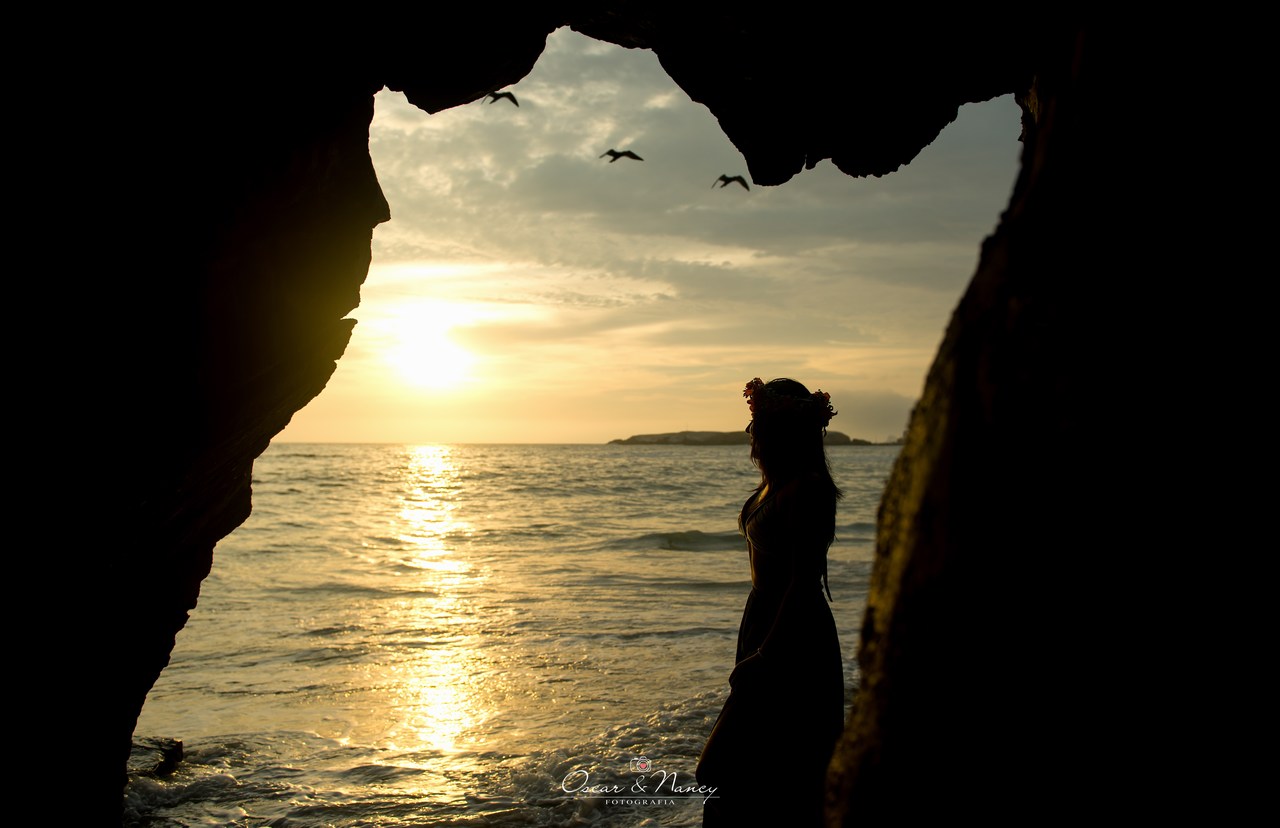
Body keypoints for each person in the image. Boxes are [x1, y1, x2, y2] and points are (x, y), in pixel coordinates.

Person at [696, 377, 845, 827]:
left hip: (793, 634)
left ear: (784, 431)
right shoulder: (773, 486)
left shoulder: (808, 489)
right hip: (763, 620)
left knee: (720, 771)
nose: (751, 434)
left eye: (758, 424)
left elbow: (803, 583)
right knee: (764, 773)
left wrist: (765, 656)